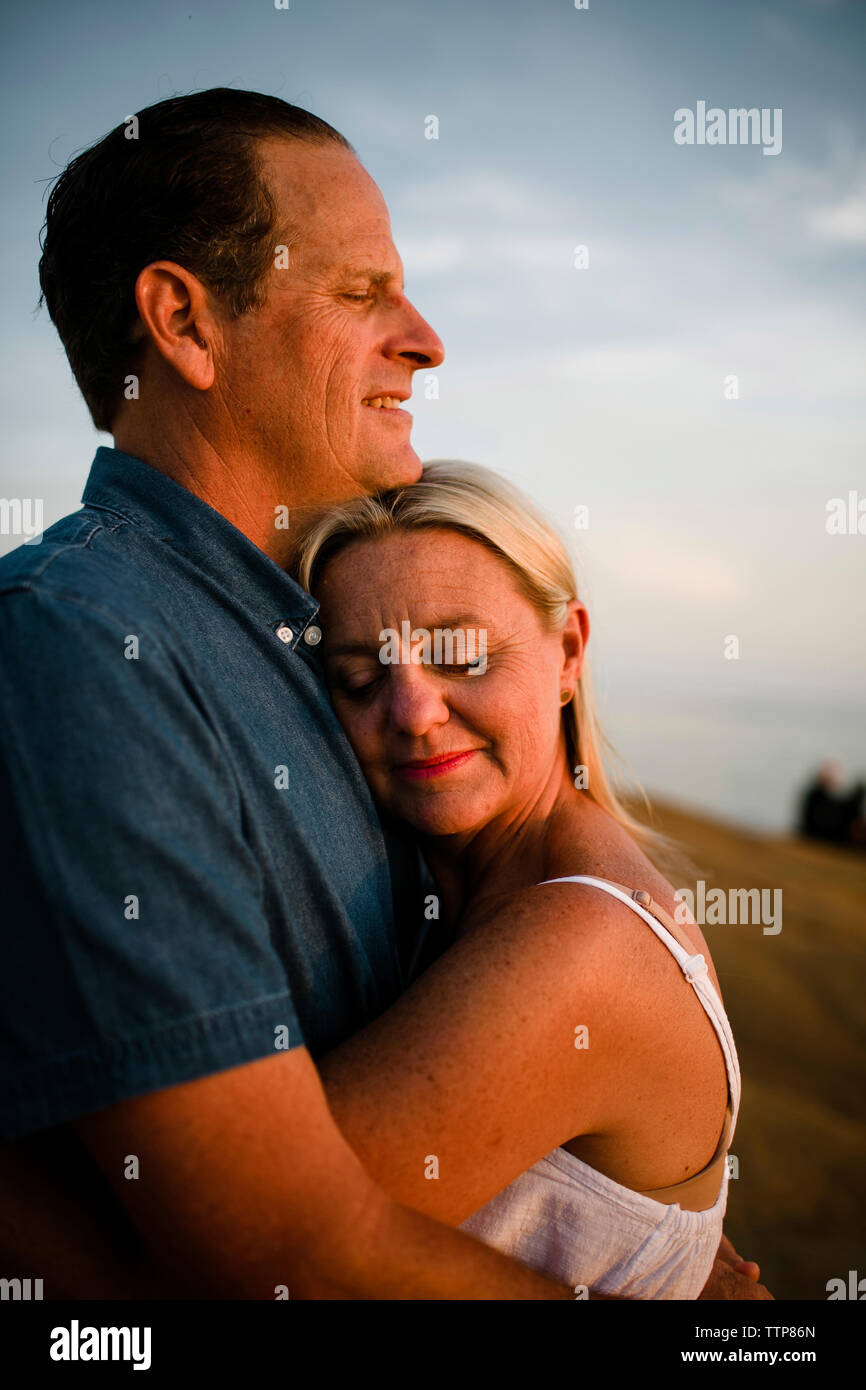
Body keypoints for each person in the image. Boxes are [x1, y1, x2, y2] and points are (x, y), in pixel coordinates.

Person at [0, 88, 766, 1300]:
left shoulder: (297, 633)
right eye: (361, 293)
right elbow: (272, 1251)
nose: (424, 338)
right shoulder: (94, 645)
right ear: (184, 327)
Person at [295, 460, 760, 1298]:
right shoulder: (470, 894)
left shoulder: (581, 945)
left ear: (570, 651)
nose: (412, 711)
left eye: (462, 657)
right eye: (359, 678)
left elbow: (244, 1253)